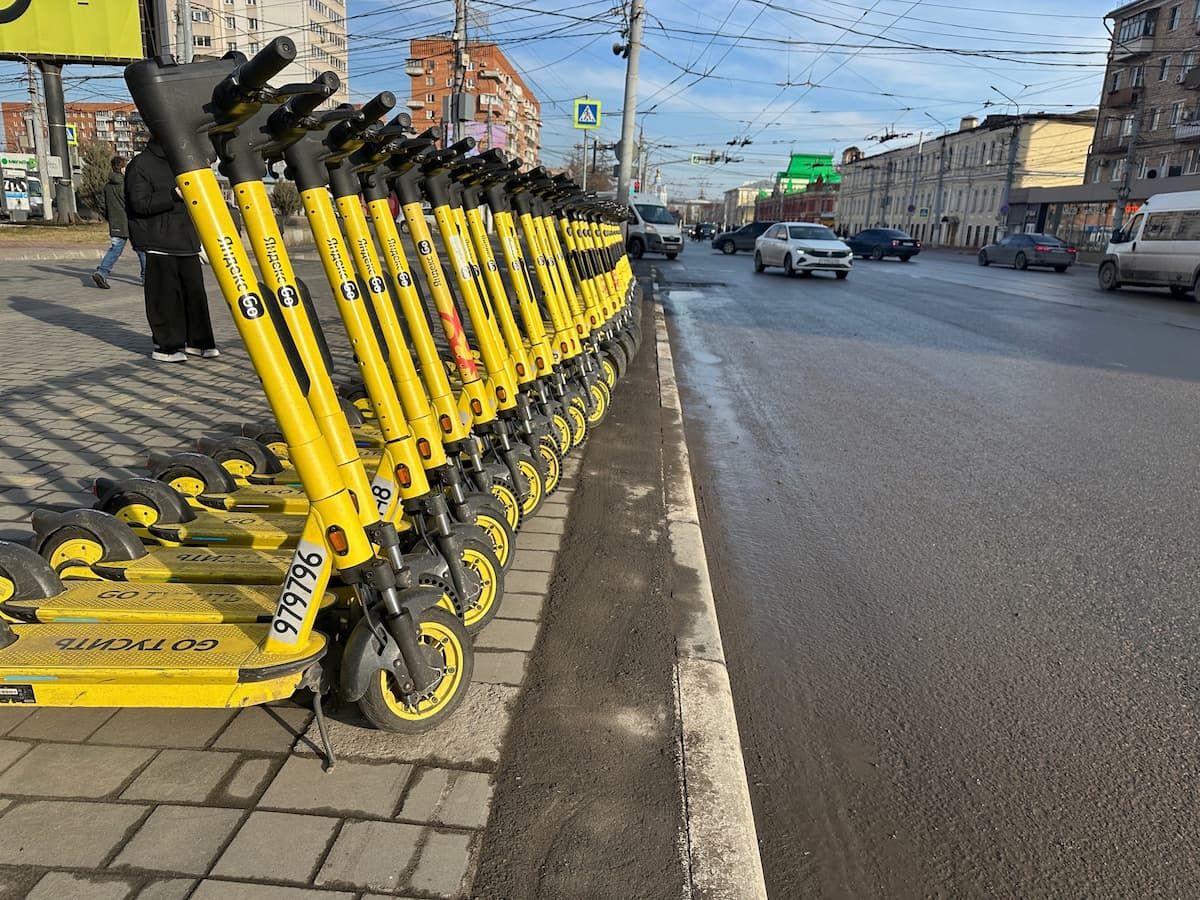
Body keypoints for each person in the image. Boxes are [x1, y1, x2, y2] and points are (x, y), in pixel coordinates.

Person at [125, 139, 218, 363]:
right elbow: (139, 203)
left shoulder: (182, 163)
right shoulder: (140, 165)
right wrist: (173, 194)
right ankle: (166, 345)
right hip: (158, 241)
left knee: (195, 294)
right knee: (165, 297)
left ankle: (199, 341)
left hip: (186, 240)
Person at [91, 156, 145, 289]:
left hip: (115, 223)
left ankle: (101, 272)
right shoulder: (126, 184)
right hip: (131, 222)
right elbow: (133, 203)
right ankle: (146, 277)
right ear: (121, 168)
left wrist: (110, 217)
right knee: (142, 249)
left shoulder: (107, 186)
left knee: (115, 249)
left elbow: (102, 204)